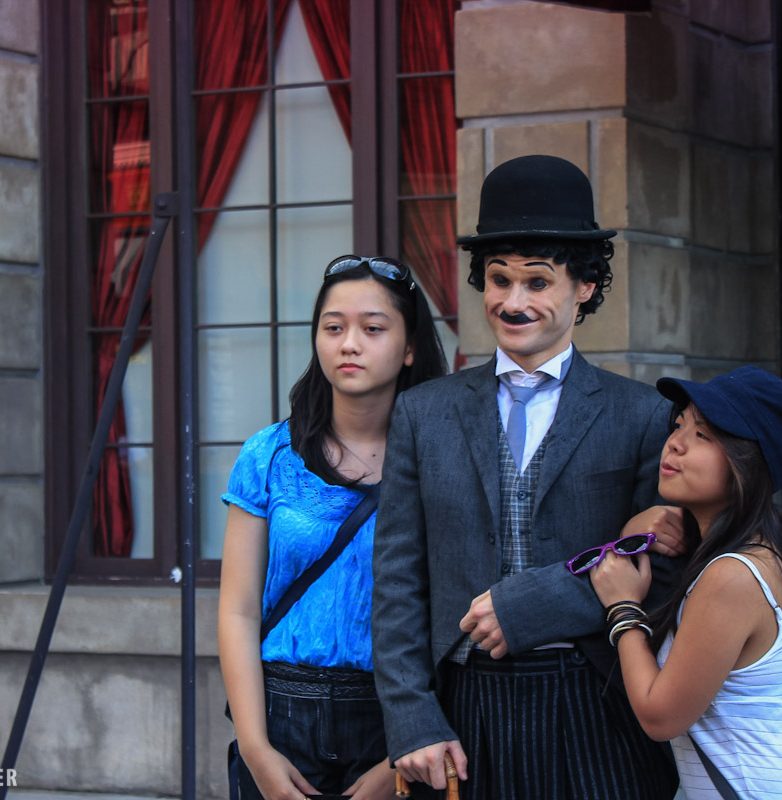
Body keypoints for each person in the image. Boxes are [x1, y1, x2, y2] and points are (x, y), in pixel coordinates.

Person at [371, 155, 684, 800]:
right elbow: (398, 577)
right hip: (461, 707)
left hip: (595, 701)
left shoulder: (643, 414)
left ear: (585, 286)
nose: (513, 302)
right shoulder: (423, 412)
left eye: (538, 281)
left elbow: (666, 566)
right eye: (499, 279)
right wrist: (411, 719)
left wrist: (540, 603)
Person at [218, 255, 447, 800]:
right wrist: (256, 751)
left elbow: (453, 615)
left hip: (397, 716)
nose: (349, 345)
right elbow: (238, 610)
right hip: (281, 713)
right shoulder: (269, 454)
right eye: (334, 328)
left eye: (373, 329)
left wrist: (404, 753)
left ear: (409, 347)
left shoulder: (443, 458)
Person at [590, 366, 782, 798]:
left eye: (703, 435)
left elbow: (660, 717)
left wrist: (622, 608)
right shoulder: (755, 552)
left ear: (748, 463)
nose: (675, 442)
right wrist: (635, 533)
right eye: (679, 425)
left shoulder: (733, 576)